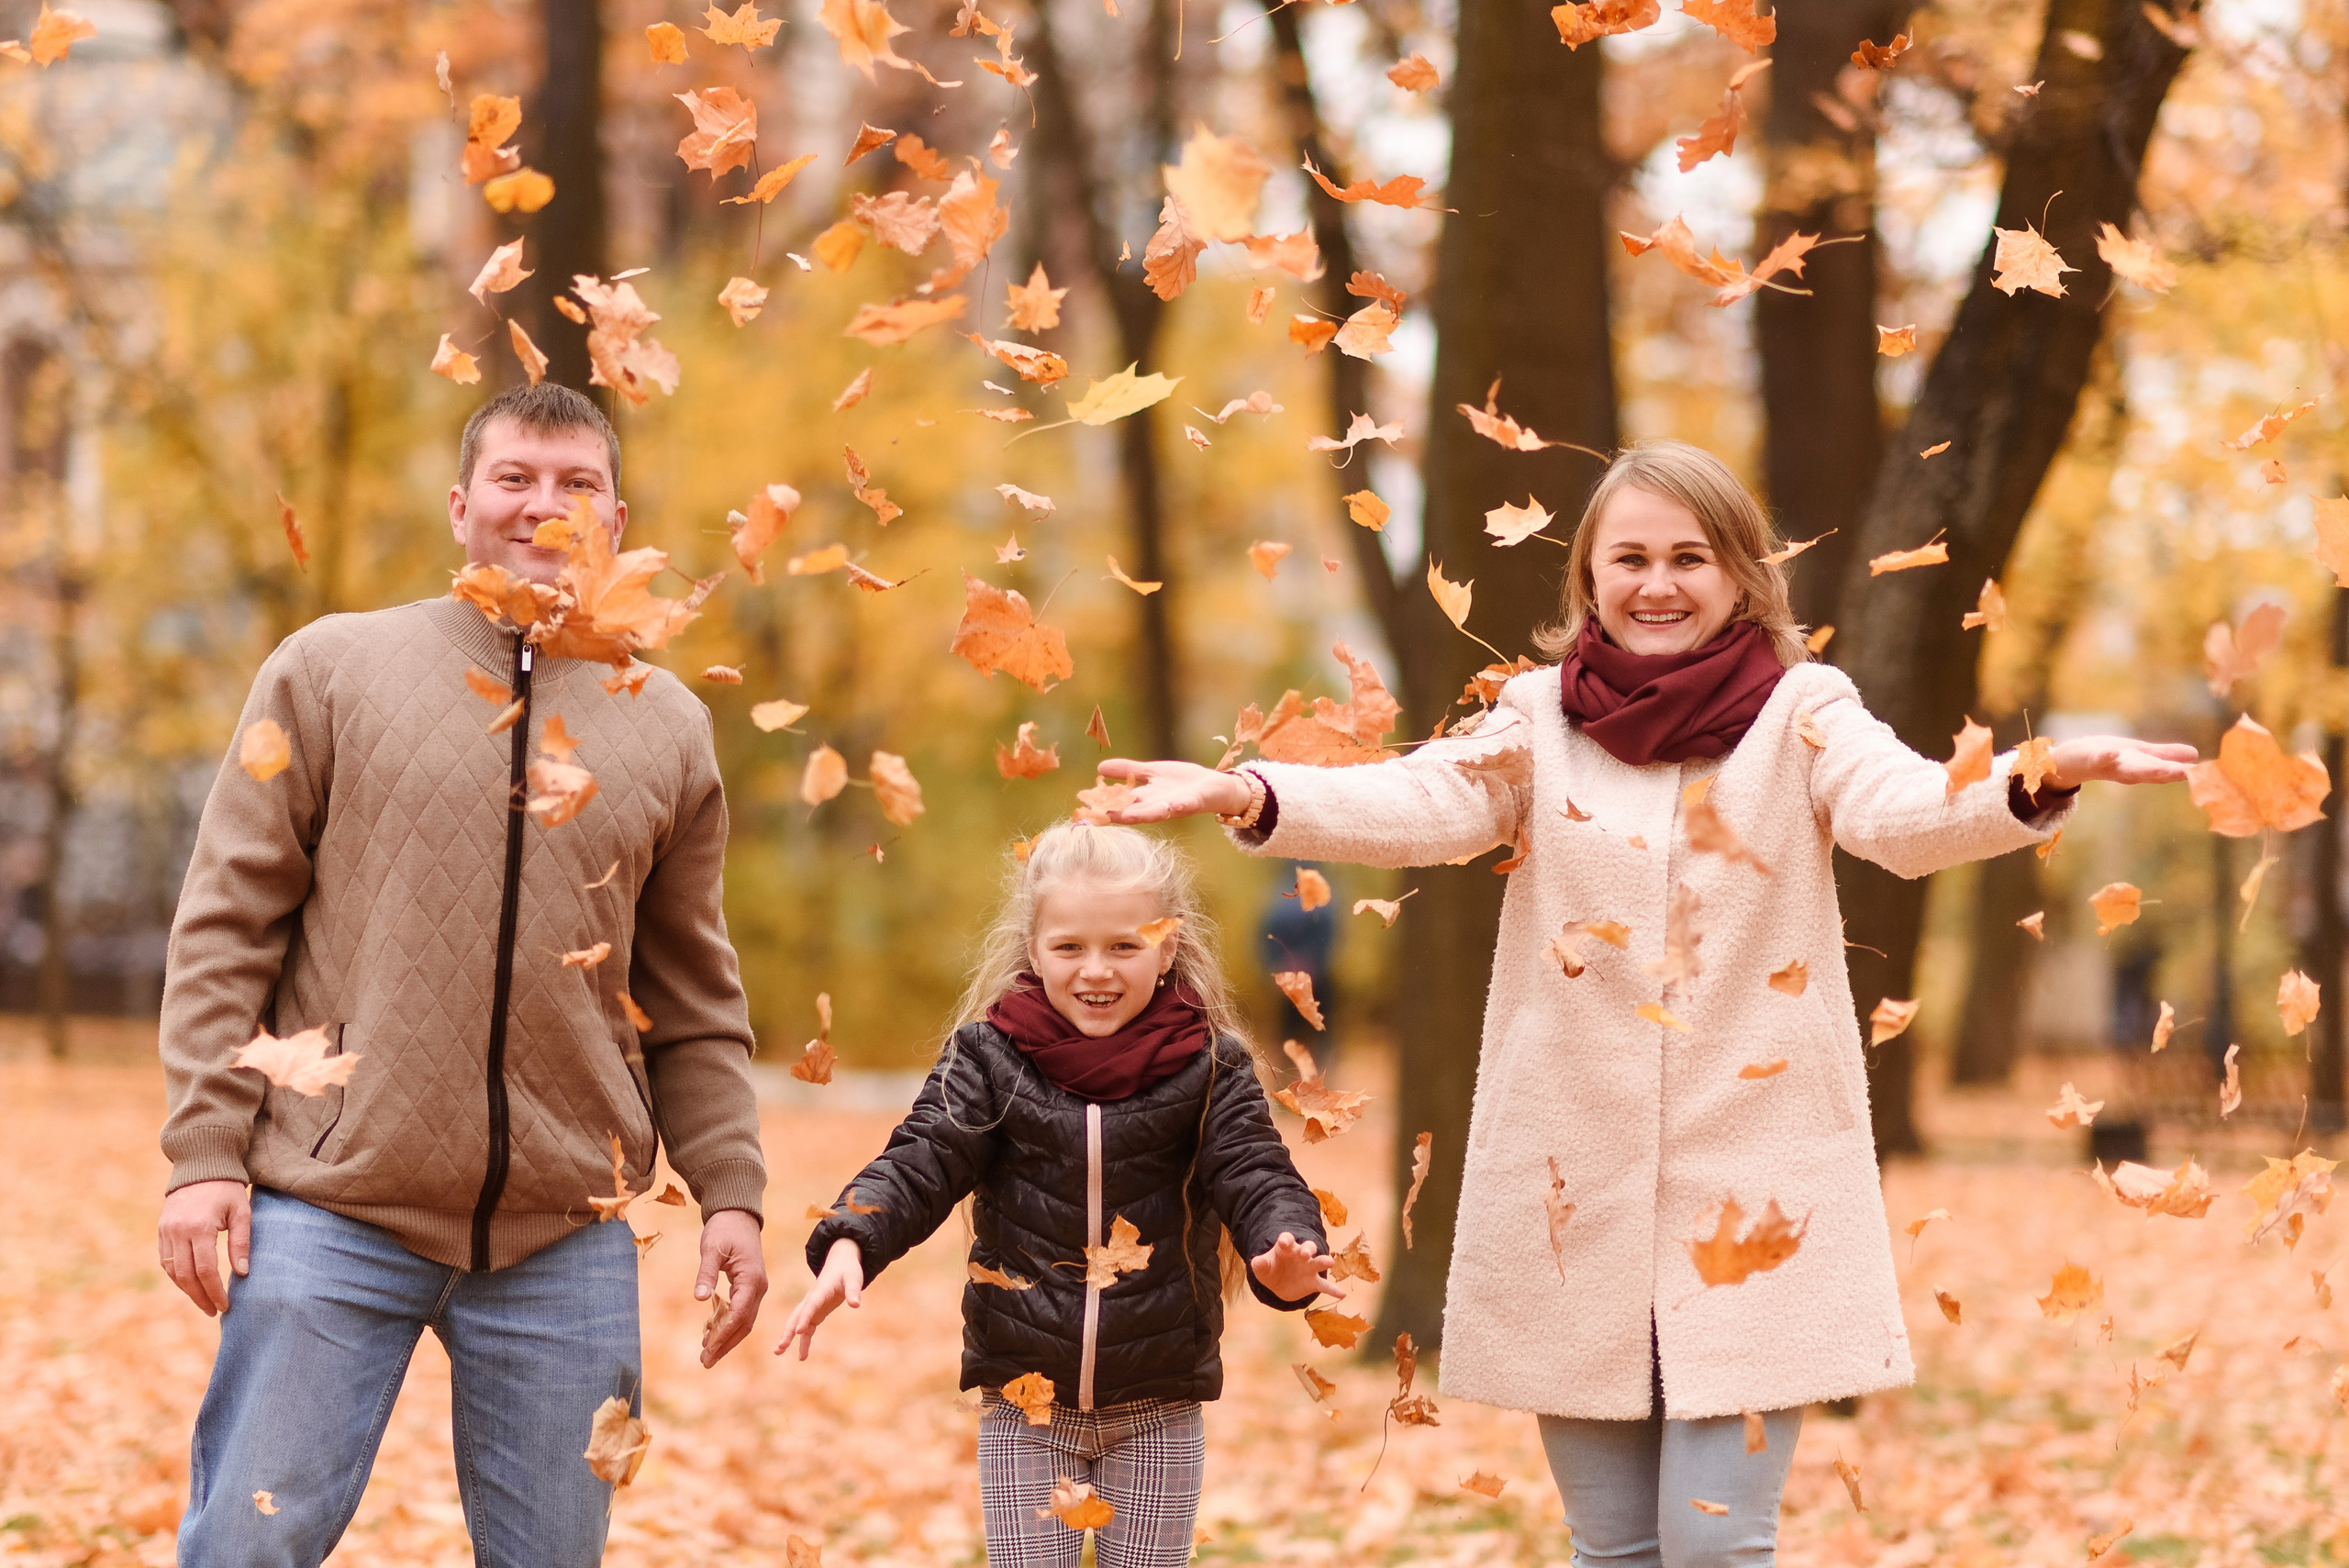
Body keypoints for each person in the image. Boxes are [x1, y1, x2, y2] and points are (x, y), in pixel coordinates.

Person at [1093, 439, 2196, 1567]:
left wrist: (2042, 772)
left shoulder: (1803, 709)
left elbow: (1904, 811)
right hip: (1574, 1187)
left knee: (1716, 1546)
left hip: (1756, 1185)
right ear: (1587, 579)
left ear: (1740, 579)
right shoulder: (1535, 719)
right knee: (1612, 1546)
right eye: (1629, 557)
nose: (1657, 582)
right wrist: (1246, 786)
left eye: (1688, 556)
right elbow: (1415, 798)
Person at [156, 383, 771, 1566]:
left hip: (565, 1232)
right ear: (461, 505)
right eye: (515, 478)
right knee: (244, 1544)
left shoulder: (668, 723)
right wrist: (203, 1156)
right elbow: (225, 927)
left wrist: (731, 1189)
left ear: (616, 513)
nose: (544, 507)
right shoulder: (331, 669)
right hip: (334, 1203)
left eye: (576, 482)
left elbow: (692, 998)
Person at [774, 821, 1341, 1568]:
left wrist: (1284, 1250)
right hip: (1025, 1401)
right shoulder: (990, 1056)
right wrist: (853, 1235)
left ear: (1166, 948)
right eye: (1070, 946)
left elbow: (1256, 1170)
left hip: (1159, 1402)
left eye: (1124, 945)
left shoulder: (1211, 1067)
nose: (1095, 969)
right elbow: (921, 1156)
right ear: (1034, 950)